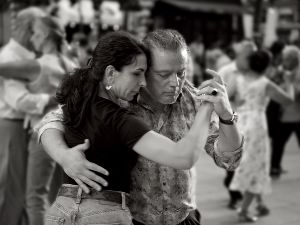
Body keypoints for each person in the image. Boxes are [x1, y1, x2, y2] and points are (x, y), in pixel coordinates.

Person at [37, 29, 244, 225]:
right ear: (145, 68)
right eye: (163, 74)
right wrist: (64, 155)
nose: (175, 82)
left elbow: (229, 160)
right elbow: (51, 121)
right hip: (132, 219)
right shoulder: (120, 97)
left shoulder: (195, 99)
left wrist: (226, 116)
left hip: (182, 218)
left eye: (181, 72)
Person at [0, 16, 77, 225]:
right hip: (66, 134)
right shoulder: (71, 64)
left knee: (35, 196)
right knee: (56, 194)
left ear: (44, 36)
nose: (32, 38)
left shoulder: (37, 65)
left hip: (41, 134)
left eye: (35, 33)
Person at [0, 7, 55, 225]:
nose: (37, 37)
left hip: (23, 127)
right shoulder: (10, 57)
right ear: (26, 30)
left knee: (23, 190)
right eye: (37, 31)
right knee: (10, 189)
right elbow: (19, 100)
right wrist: (52, 99)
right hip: (12, 127)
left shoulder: (29, 56)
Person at [229, 50, 294, 222]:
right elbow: (288, 100)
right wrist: (289, 83)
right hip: (257, 125)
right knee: (256, 167)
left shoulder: (240, 79)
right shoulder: (265, 83)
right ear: (266, 66)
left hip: (241, 123)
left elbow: (228, 98)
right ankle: (243, 210)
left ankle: (260, 203)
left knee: (250, 162)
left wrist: (239, 106)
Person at [218, 40, 257, 209]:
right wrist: (231, 96)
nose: (251, 60)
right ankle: (234, 195)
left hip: (251, 125)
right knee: (232, 163)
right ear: (239, 55)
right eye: (248, 56)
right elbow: (216, 95)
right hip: (230, 124)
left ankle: (241, 193)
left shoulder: (256, 73)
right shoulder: (226, 72)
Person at [270, 45, 300, 178]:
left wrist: (290, 85)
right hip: (284, 115)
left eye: (286, 59)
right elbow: (271, 87)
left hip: (298, 114)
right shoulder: (279, 72)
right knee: (278, 142)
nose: (283, 61)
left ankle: (275, 166)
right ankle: (275, 167)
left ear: (294, 59)